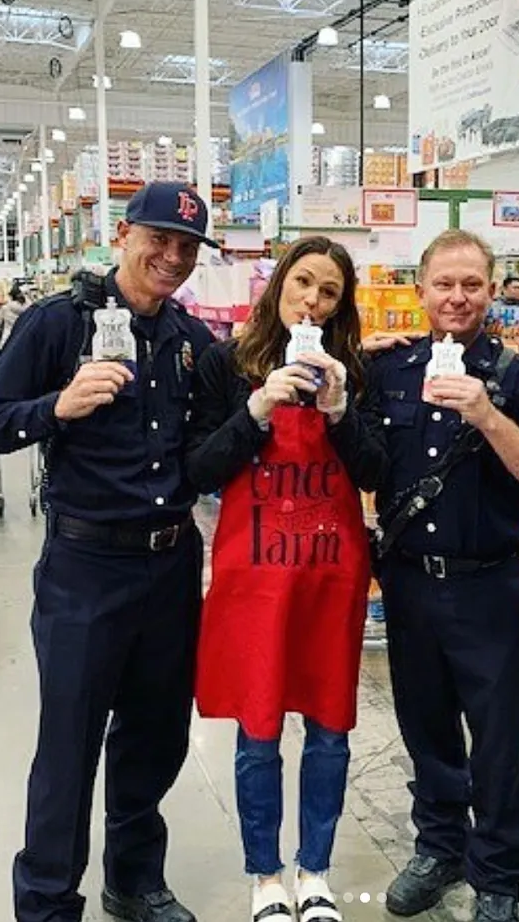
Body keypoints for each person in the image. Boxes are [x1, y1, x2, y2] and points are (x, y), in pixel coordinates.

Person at [0, 181, 217, 922]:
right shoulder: (54, 326)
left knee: (156, 733)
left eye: (187, 247)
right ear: (124, 235)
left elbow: (238, 411)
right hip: (84, 569)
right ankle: (46, 902)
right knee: (69, 743)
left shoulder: (191, 342)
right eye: (159, 240)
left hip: (170, 567)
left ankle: (134, 880)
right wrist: (56, 407)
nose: (171, 257)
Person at [185, 236, 386, 922]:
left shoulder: (355, 371)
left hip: (331, 575)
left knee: (330, 727)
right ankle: (265, 873)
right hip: (256, 575)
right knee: (259, 730)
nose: (313, 300)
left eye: (329, 292)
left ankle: (316, 869)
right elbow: (201, 470)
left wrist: (339, 412)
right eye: (304, 283)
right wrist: (256, 410)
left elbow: (376, 472)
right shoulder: (226, 364)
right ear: (278, 286)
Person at [370, 229, 519, 922]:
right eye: (444, 284)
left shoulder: (518, 378)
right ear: (419, 290)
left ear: (491, 290)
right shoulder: (390, 372)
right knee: (425, 726)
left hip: (491, 584)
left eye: (471, 284)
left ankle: (500, 876)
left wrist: (487, 416)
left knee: (501, 737)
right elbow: (363, 458)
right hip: (409, 580)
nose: (457, 297)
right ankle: (440, 846)